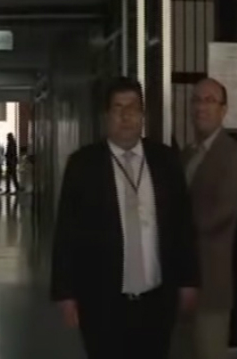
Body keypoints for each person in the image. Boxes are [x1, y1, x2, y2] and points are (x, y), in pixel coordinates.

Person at [50, 77, 199, 359]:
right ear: (107, 116)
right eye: (118, 108)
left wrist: (189, 280)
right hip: (102, 302)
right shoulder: (84, 165)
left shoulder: (166, 161)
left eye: (132, 107)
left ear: (143, 115)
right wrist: (65, 294)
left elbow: (183, 225)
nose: (126, 115)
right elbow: (66, 233)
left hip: (157, 300)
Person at [176, 78, 237, 359]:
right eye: (196, 100)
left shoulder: (231, 155)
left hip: (212, 283)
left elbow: (218, 215)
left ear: (224, 110)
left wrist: (169, 229)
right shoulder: (188, 154)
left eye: (209, 101)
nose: (201, 107)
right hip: (181, 280)